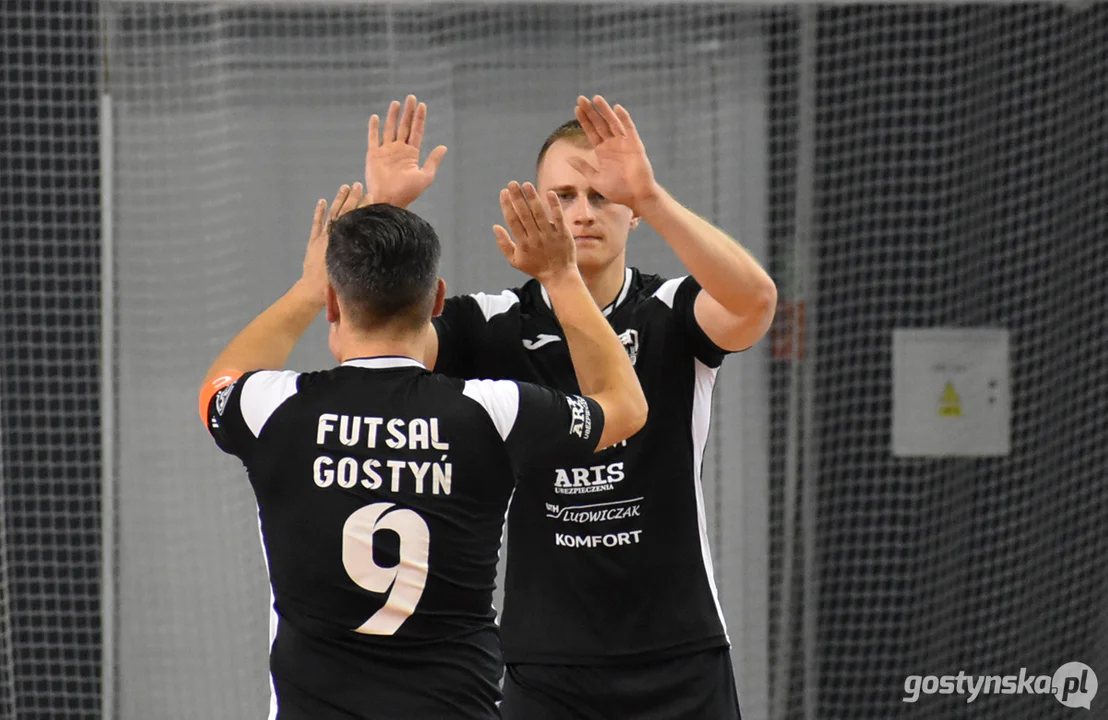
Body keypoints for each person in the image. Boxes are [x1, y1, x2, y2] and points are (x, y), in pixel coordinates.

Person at [364, 94, 777, 719]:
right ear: (534, 204)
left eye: (603, 196)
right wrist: (382, 212)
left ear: (630, 212)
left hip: (679, 654)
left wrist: (653, 196)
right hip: (546, 662)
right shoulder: (494, 322)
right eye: (562, 196)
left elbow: (755, 305)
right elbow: (385, 346)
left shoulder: (669, 308)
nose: (582, 213)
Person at [197, 180, 647, 719]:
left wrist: (307, 288)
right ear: (437, 301)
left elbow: (218, 386)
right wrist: (561, 276)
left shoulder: (273, 406)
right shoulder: (493, 412)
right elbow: (625, 408)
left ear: (334, 303)